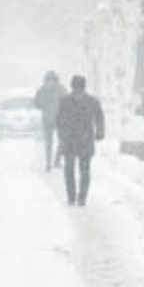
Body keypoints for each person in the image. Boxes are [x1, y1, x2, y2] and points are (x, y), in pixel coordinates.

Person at [56, 74, 105, 206]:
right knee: (85, 171)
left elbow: (59, 120)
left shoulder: (64, 101)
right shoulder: (92, 101)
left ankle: (71, 196)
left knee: (69, 170)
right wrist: (100, 132)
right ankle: (82, 197)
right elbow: (99, 117)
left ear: (72, 86)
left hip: (69, 140)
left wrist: (61, 135)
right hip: (85, 139)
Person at [34, 70, 67, 171]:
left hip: (46, 118)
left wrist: (45, 107)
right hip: (60, 118)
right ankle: (57, 160)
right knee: (62, 140)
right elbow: (67, 102)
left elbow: (37, 104)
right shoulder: (61, 89)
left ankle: (48, 163)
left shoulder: (41, 90)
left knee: (48, 142)